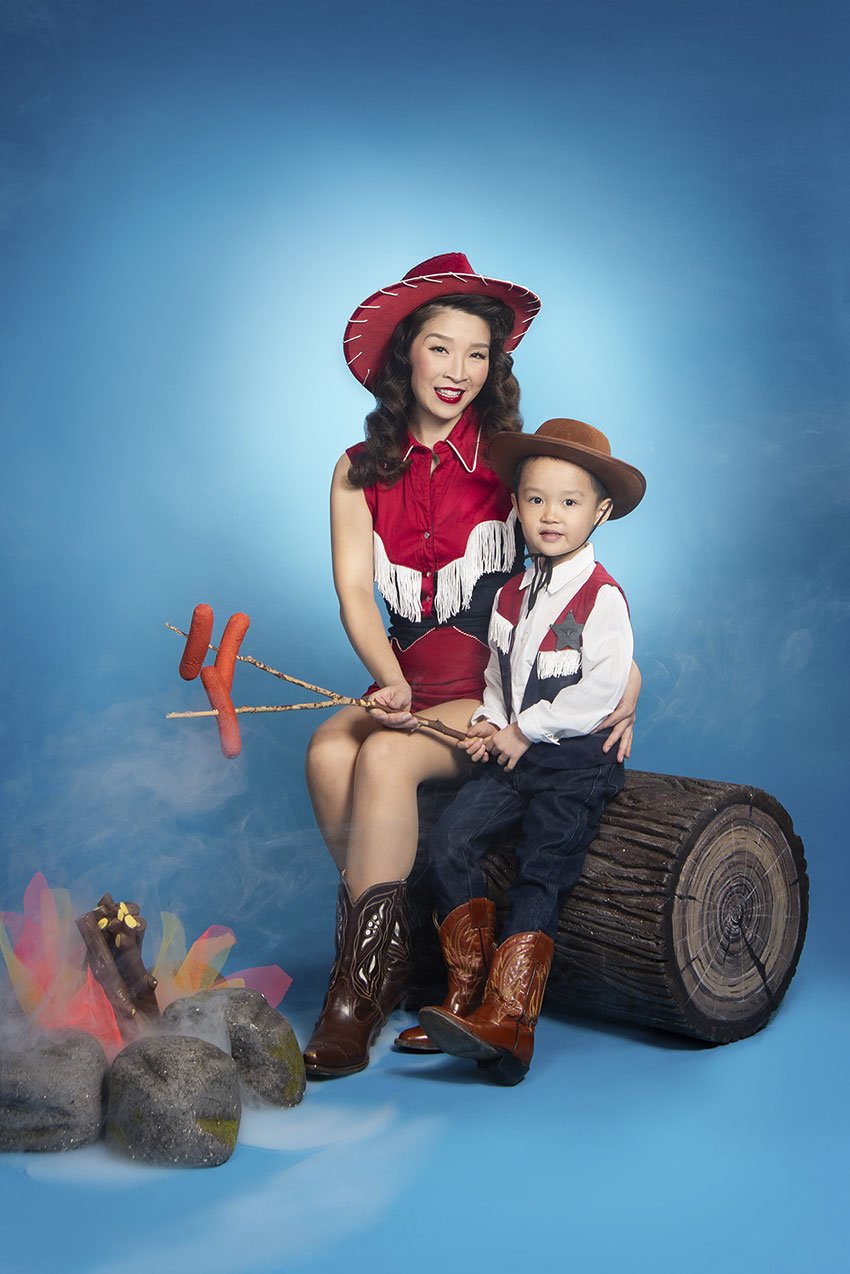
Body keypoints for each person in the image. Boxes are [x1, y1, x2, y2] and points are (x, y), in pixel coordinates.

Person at [303, 255, 639, 1078]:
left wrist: (629, 682)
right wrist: (388, 679)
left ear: (496, 366)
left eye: (479, 354)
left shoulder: (509, 462)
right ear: (405, 353)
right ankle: (394, 951)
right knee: (325, 749)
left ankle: (354, 998)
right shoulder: (357, 468)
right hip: (407, 676)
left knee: (382, 754)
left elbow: (575, 580)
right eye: (443, 349)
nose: (459, 372)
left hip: (486, 694)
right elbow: (354, 593)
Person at [416, 417, 645, 1085]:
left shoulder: (599, 599)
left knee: (541, 873)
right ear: (515, 505)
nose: (551, 515)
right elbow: (498, 673)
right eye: (537, 499)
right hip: (518, 760)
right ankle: (465, 998)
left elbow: (600, 690)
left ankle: (510, 1022)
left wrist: (525, 730)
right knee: (452, 839)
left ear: (599, 513)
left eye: (570, 503)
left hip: (573, 768)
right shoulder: (512, 596)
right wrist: (492, 721)